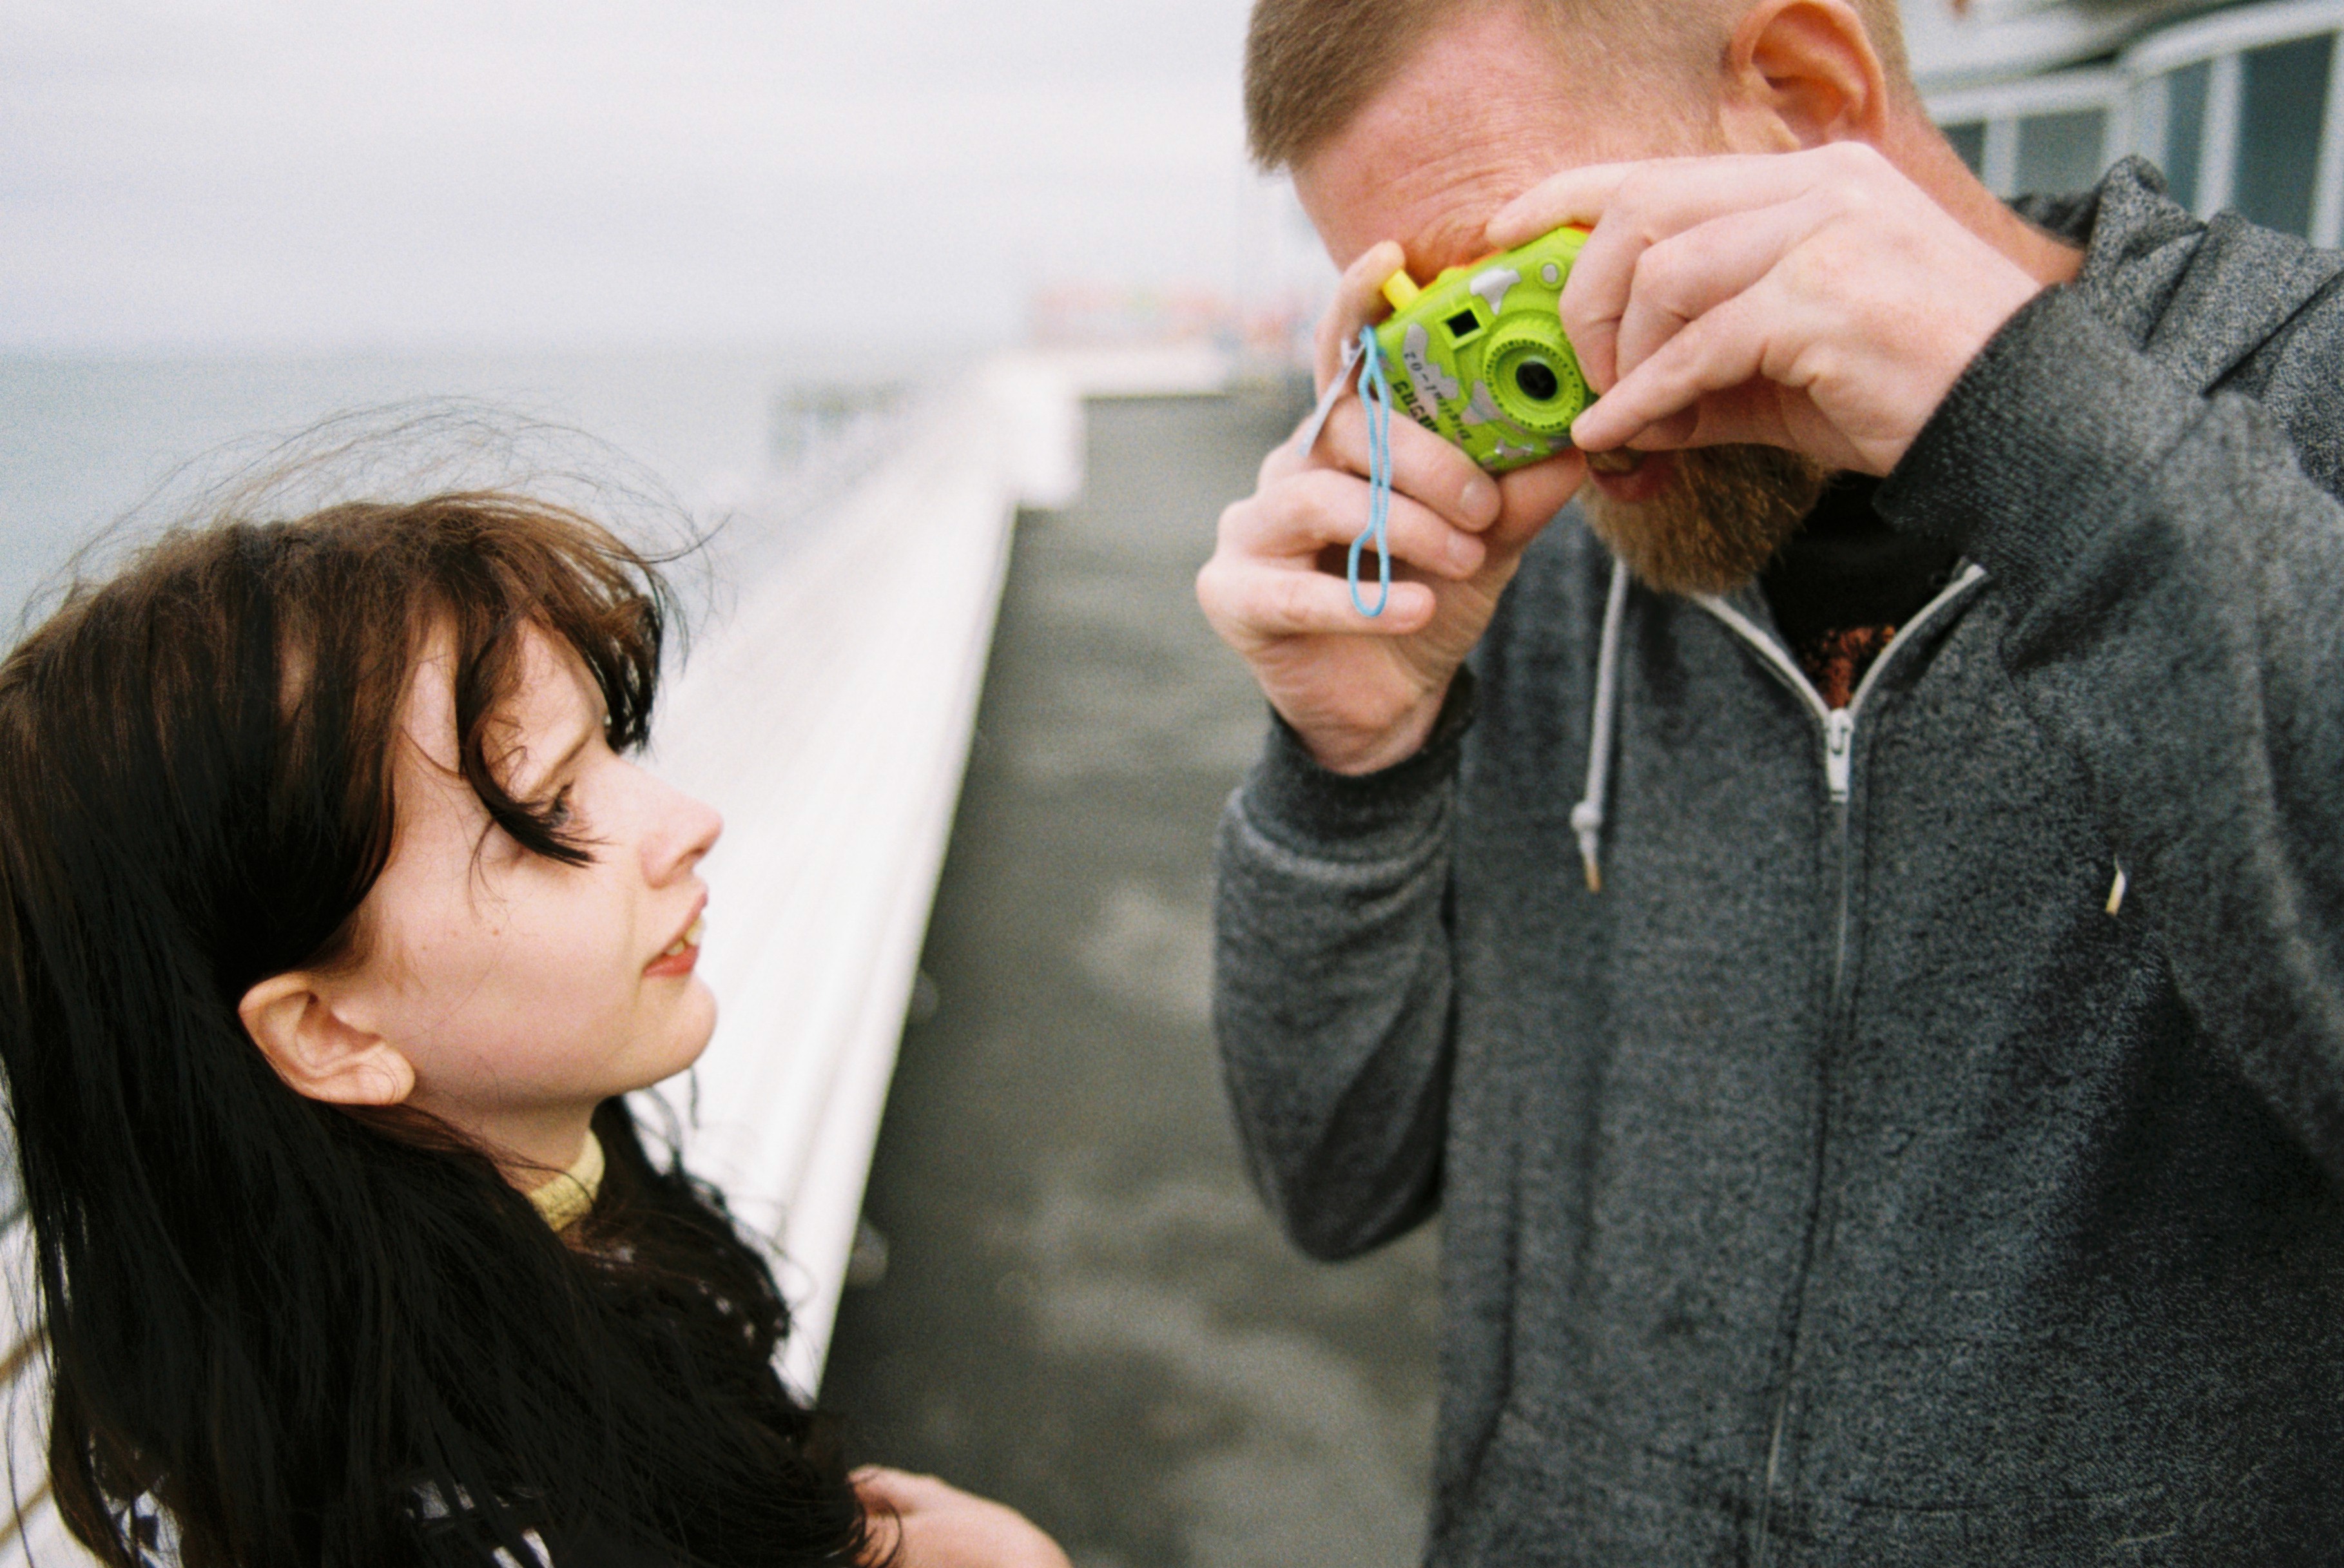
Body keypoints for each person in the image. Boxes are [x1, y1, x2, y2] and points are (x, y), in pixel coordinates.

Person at [1199, 0, 2344, 1561]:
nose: (1516, 394)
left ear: (1803, 93)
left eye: (1521, 282)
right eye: (1426, 328)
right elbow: (1334, 1177)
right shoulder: (1527, 562)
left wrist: (2033, 441)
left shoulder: (2305, 414)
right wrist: (1348, 768)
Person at [0, 491, 1069, 1568]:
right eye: (550, 805)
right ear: (325, 1028)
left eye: (611, 749)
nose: (688, 821)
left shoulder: (492, 1249)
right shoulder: (449, 1516)